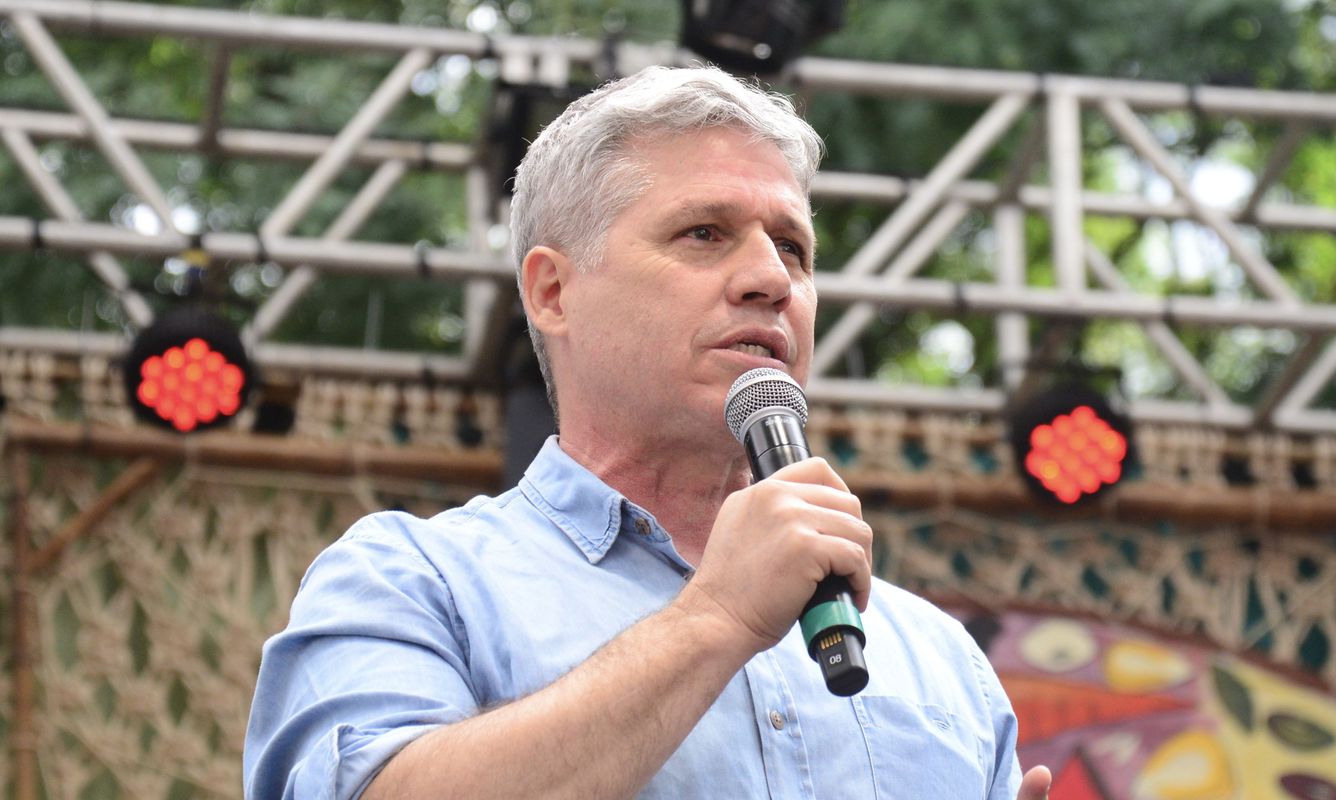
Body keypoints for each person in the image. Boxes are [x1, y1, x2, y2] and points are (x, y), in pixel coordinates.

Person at [244, 65, 1052, 800]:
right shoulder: (410, 581)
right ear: (553, 292)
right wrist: (716, 619)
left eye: (793, 249)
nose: (772, 280)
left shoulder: (943, 660)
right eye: (704, 233)